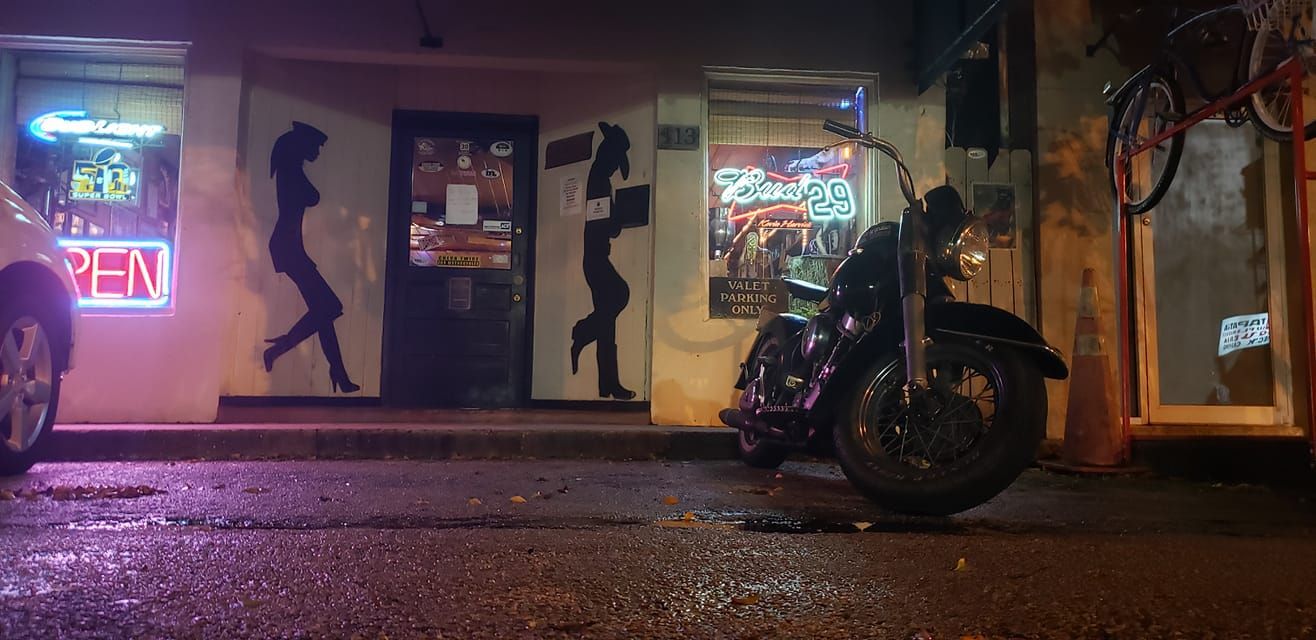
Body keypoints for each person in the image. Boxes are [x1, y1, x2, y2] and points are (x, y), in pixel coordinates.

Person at [262, 121, 359, 393]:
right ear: (301, 145)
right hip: (287, 247)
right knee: (329, 306)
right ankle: (280, 349)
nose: (318, 150)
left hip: (290, 246)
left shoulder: (290, 171)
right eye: (316, 145)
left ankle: (338, 372)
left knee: (323, 311)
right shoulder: (291, 172)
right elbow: (312, 196)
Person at [570, 122, 635, 400]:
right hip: (596, 257)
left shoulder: (599, 178)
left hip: (595, 256)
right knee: (620, 294)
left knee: (608, 322)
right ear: (609, 156)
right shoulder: (599, 180)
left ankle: (607, 384)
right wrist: (620, 216)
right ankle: (583, 332)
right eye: (615, 161)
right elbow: (605, 225)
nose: (614, 168)